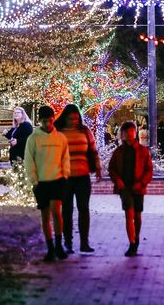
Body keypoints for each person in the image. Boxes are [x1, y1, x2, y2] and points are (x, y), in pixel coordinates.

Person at [25, 105, 70, 262]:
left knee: (57, 213)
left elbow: (65, 158)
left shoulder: (60, 138)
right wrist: (34, 180)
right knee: (45, 215)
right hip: (42, 182)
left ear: (53, 120)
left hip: (57, 180)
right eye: (44, 121)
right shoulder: (33, 139)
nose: (48, 124)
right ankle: (50, 247)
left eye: (50, 121)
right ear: (39, 121)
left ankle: (58, 245)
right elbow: (29, 160)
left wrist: (65, 174)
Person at [56, 104, 101, 253]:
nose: (74, 121)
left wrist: (99, 168)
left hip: (83, 176)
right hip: (65, 177)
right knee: (66, 210)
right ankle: (68, 242)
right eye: (70, 119)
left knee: (84, 209)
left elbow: (93, 150)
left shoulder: (85, 131)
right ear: (65, 118)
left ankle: (84, 242)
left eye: (76, 119)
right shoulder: (58, 132)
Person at [108, 121, 153, 257]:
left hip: (138, 186)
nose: (129, 134)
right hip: (125, 187)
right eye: (126, 132)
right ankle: (132, 242)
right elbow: (112, 169)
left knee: (137, 216)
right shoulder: (119, 152)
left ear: (135, 132)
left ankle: (136, 237)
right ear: (122, 134)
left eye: (132, 131)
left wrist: (142, 183)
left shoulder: (142, 151)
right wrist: (118, 181)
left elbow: (149, 170)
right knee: (129, 214)